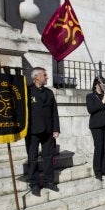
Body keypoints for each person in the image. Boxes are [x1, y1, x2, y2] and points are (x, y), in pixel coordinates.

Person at [26, 67, 60, 197]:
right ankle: (34, 184)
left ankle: (48, 181)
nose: (47, 77)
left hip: (48, 131)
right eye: (44, 75)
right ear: (36, 77)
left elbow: (54, 112)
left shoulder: (49, 92)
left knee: (48, 157)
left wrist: (56, 129)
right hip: (32, 131)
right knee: (32, 158)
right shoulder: (28, 91)